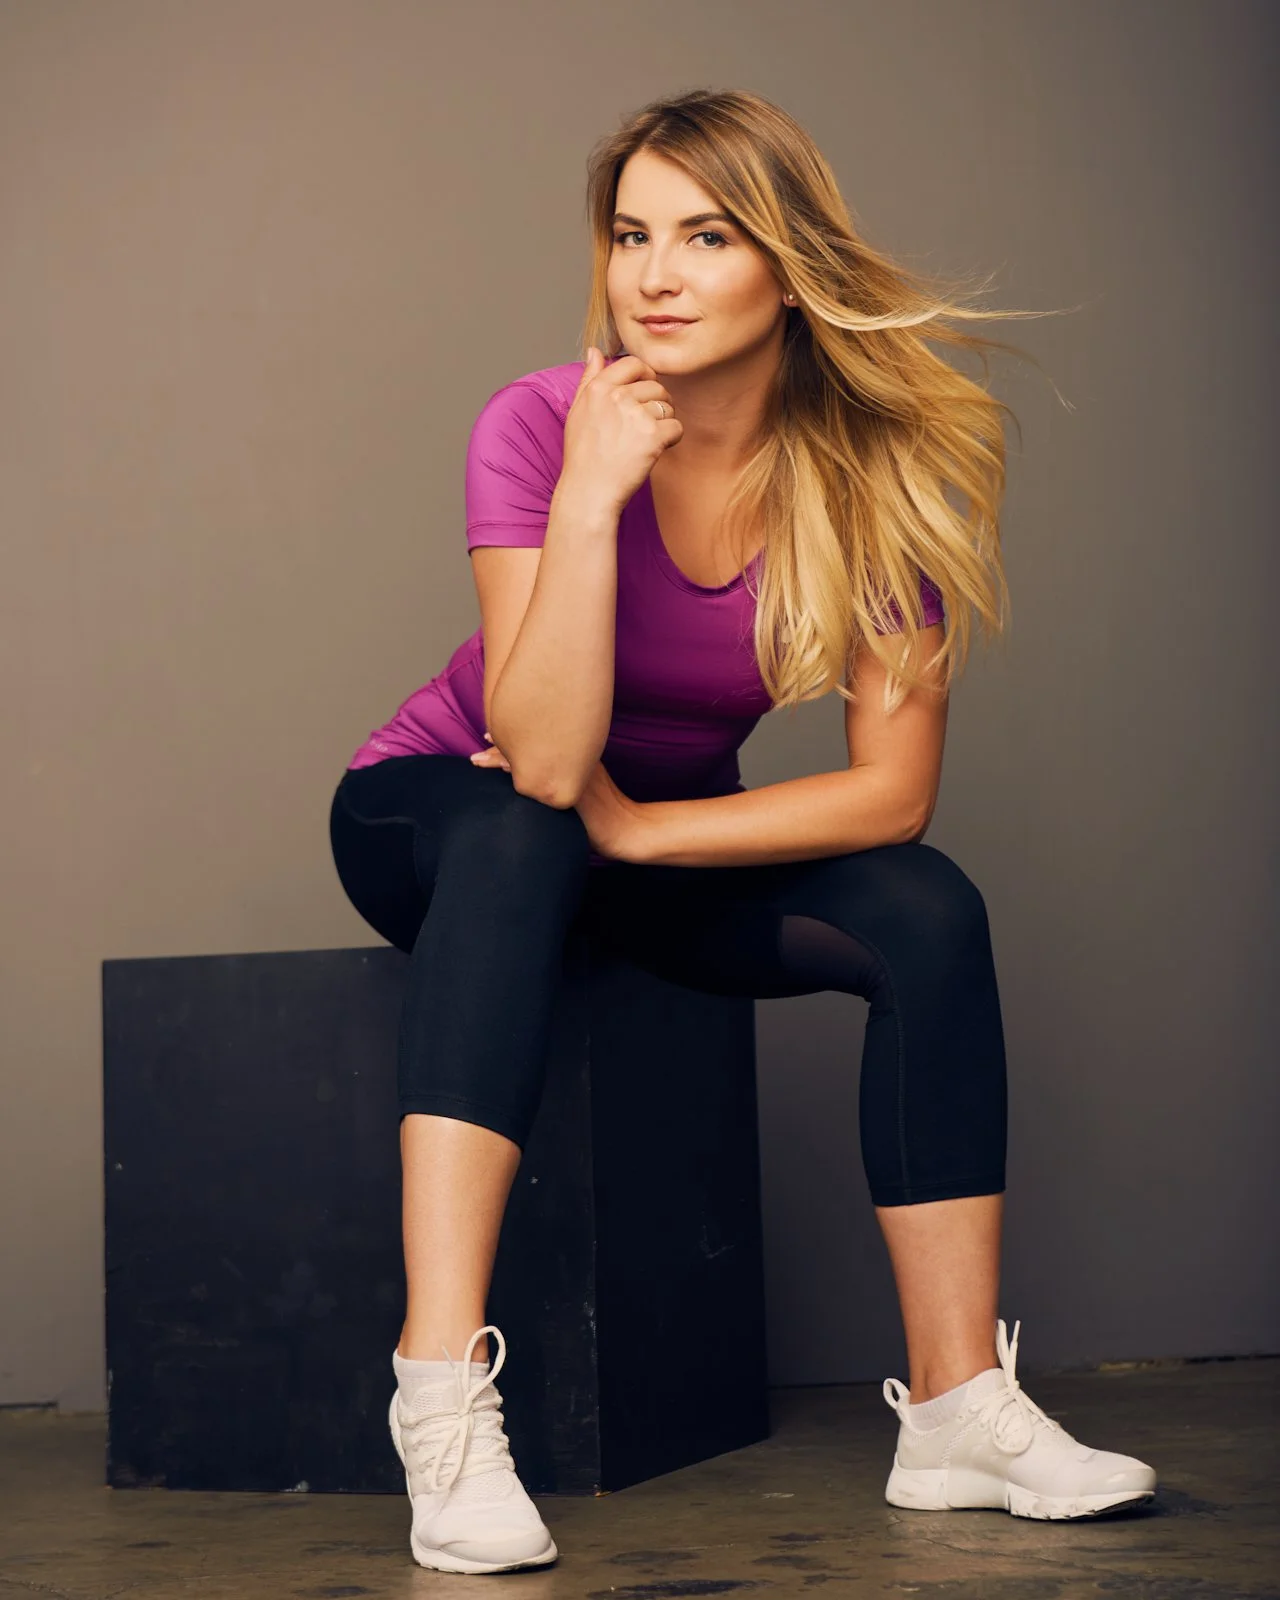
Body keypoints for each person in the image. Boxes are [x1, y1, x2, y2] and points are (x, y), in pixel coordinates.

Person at [328, 88, 1157, 1576]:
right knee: (524, 838)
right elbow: (545, 758)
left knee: (926, 906)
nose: (653, 275)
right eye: (630, 236)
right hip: (445, 808)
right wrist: (593, 497)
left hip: (638, 838)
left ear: (788, 266)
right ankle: (439, 1400)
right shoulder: (540, 423)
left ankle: (957, 1409)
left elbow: (892, 795)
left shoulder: (872, 477)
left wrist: (647, 837)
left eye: (706, 238)